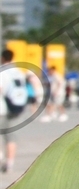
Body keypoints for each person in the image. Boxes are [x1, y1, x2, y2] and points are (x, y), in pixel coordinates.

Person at [1, 48, 43, 178]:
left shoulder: (2, 71)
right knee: (11, 136)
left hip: (2, 108)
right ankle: (10, 164)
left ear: (2, 58)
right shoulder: (18, 71)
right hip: (16, 108)